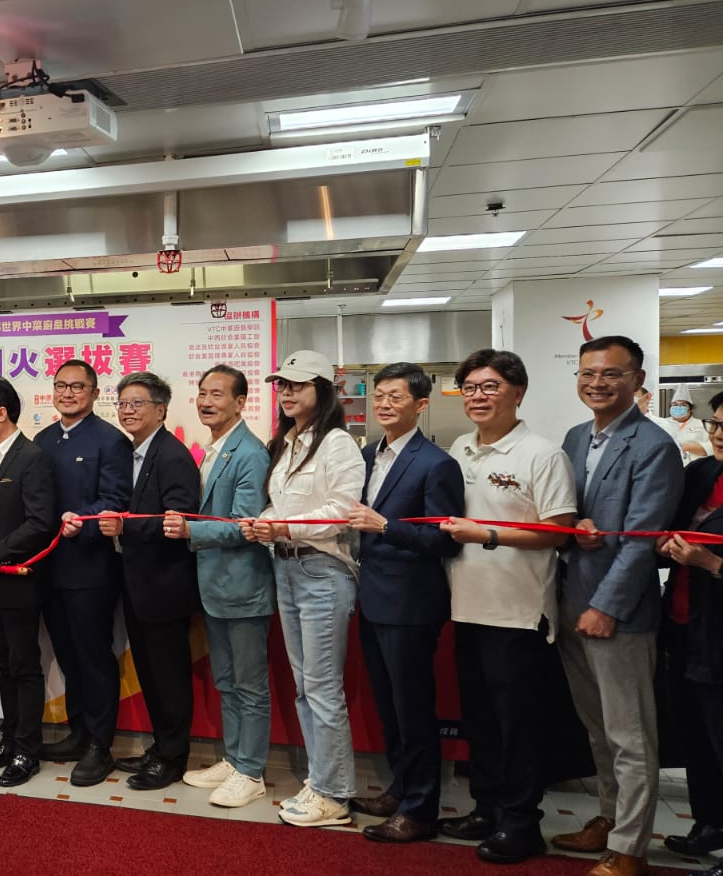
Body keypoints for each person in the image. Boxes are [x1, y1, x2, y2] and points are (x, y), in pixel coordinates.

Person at [436, 349, 579, 865]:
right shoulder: (459, 448)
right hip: (466, 606)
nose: (478, 396)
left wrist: (488, 534)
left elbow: (559, 530)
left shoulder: (542, 454)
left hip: (518, 613)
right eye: (470, 387)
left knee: (517, 725)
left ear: (518, 393)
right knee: (481, 720)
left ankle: (522, 824)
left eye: (490, 386)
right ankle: (486, 809)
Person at [552, 336, 683, 876]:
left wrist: (606, 607)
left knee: (631, 735)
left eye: (610, 374)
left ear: (637, 380)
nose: (597, 383)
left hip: (618, 614)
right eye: (587, 373)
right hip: (571, 600)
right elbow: (566, 513)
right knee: (598, 728)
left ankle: (630, 849)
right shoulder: (576, 437)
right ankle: (608, 819)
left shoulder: (653, 446)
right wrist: (572, 530)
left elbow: (641, 539)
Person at [240, 349, 364, 828]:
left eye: (298, 384)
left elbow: (342, 511)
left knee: (322, 688)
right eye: (282, 385)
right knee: (305, 687)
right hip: (287, 569)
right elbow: (281, 504)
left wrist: (284, 527)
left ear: (323, 390)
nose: (287, 393)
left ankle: (334, 794)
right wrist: (264, 523)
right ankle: (321, 779)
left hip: (323, 571)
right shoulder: (287, 442)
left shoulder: (337, 443)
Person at [344, 363, 464, 842]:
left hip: (411, 603)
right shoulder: (367, 454)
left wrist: (386, 527)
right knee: (389, 706)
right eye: (379, 396)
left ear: (421, 404)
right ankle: (400, 788)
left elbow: (444, 540)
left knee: (413, 708)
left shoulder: (436, 463)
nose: (385, 404)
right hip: (373, 597)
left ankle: (420, 808)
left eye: (396, 396)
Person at [174, 365, 274, 809]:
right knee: (227, 681)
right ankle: (234, 760)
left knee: (249, 686)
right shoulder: (215, 449)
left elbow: (244, 525)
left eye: (217, 394)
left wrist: (189, 530)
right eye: (202, 392)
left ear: (240, 402)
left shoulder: (250, 453)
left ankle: (251, 771)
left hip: (244, 587)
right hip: (216, 587)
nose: (206, 401)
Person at [99, 372, 200, 791]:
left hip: (164, 587)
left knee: (169, 679)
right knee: (152, 676)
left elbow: (179, 519)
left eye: (137, 403)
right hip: (139, 586)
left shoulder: (172, 455)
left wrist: (125, 526)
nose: (128, 410)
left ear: (161, 409)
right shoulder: (136, 453)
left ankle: (173, 758)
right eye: (123, 403)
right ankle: (160, 749)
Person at [34, 359, 130, 786]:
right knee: (69, 656)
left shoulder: (110, 440)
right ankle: (78, 733)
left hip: (91, 570)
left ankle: (99, 746)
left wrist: (83, 520)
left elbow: (116, 499)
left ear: (94, 393)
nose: (68, 393)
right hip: (48, 568)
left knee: (93, 658)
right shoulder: (42, 440)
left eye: (77, 387)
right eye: (61, 386)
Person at [0, 375, 58, 788]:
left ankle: (27, 751)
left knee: (24, 666)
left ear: (1, 413)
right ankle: (9, 740)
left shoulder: (31, 458)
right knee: (4, 664)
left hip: (16, 580)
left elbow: (40, 522)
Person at [657, 391, 723, 876]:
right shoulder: (702, 473)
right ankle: (710, 823)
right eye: (716, 424)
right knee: (696, 736)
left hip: (719, 637)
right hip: (684, 625)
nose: (719, 435)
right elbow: (667, 527)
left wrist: (711, 563)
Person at [668, 386, 709, 465]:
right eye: (675, 405)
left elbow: (713, 447)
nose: (678, 407)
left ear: (690, 409)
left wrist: (687, 447)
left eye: (683, 405)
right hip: (668, 467)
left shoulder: (703, 424)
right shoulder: (661, 423)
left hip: (696, 467)